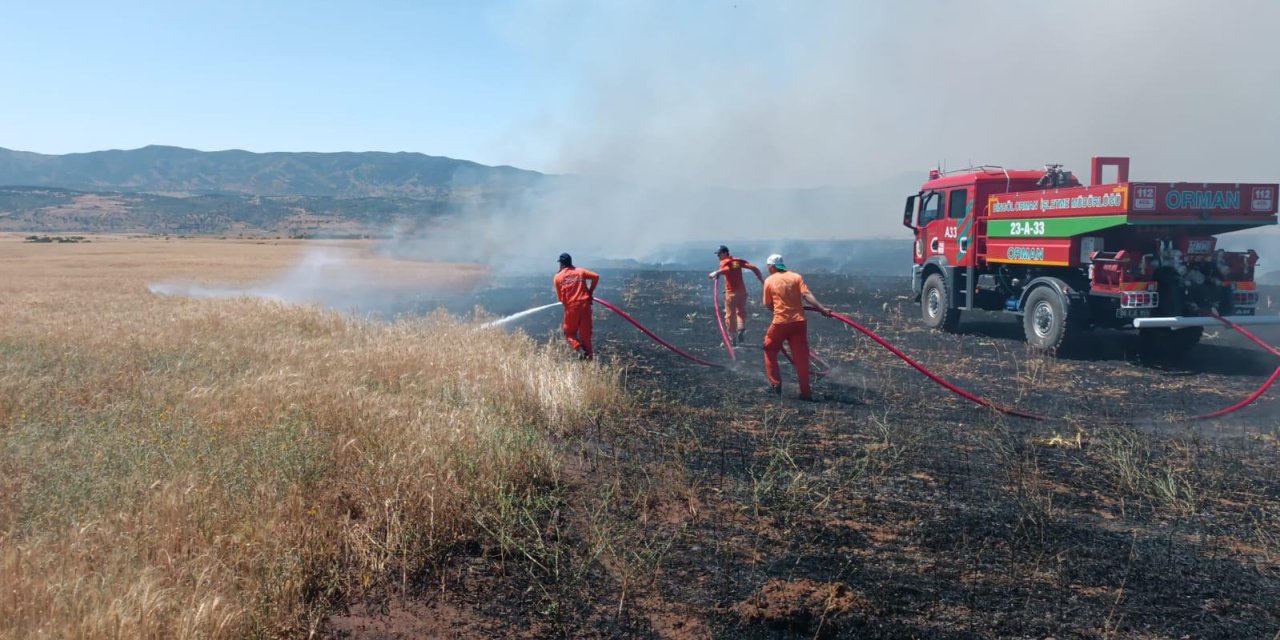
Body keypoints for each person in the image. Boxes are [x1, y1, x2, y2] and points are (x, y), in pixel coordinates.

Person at [761, 253, 832, 400]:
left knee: (769, 348)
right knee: (801, 358)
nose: (768, 269)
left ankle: (775, 385)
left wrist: (780, 310)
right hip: (799, 323)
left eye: (768, 266)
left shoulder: (769, 281)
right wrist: (822, 309)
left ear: (772, 266)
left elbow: (768, 304)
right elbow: (806, 295)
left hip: (780, 323)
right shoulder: (796, 277)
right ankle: (805, 393)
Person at [708, 245, 763, 345]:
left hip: (731, 294)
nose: (718, 257)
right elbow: (752, 267)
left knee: (729, 316)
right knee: (741, 312)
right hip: (742, 293)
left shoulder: (725, 263)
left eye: (719, 254)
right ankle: (741, 329)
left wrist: (716, 272)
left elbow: (727, 270)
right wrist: (760, 278)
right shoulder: (736, 262)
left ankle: (732, 338)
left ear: (725, 253)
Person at [554, 252, 600, 360]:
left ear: (561, 264)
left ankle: (578, 348)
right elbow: (596, 277)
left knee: (569, 333)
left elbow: (560, 298)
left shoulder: (558, 277)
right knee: (586, 337)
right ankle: (588, 360)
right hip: (585, 307)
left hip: (571, 309)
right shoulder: (580, 271)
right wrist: (590, 292)